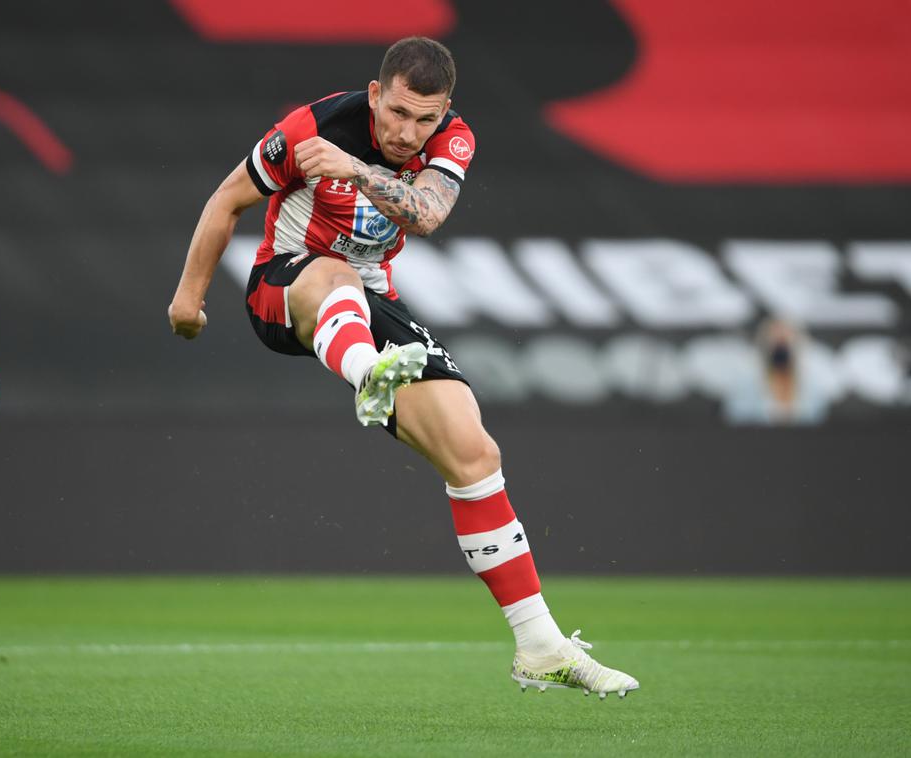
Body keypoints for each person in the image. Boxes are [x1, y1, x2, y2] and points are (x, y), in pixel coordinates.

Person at [168, 37, 638, 698]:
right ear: (374, 94)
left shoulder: (453, 140)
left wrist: (356, 172)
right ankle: (370, 374)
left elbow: (431, 212)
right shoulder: (313, 126)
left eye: (425, 119)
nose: (406, 131)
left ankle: (539, 645)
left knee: (473, 451)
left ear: (444, 111)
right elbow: (226, 201)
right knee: (332, 274)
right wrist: (188, 299)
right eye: (396, 113)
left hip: (370, 300)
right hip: (285, 288)